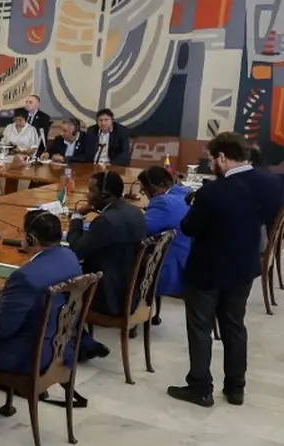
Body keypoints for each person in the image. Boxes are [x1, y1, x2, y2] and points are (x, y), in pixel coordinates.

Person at [168, 132, 282, 407]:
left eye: (211, 159)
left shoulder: (212, 192)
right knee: (234, 327)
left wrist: (194, 205)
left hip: (207, 269)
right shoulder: (270, 182)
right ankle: (235, 388)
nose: (210, 164)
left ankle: (200, 387)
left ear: (222, 157)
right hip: (243, 266)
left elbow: (188, 228)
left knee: (200, 328)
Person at [0, 212, 82, 373]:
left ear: (30, 239)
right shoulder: (69, 257)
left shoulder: (25, 277)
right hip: (62, 346)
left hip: (27, 356)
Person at [67, 170, 146, 361]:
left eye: (91, 191)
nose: (87, 195)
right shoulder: (134, 211)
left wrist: (77, 217)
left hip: (108, 296)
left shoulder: (106, 221)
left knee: (57, 293)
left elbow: (75, 250)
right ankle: (85, 342)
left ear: (104, 194)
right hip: (132, 290)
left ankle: (83, 346)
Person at [137, 166, 191, 299]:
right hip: (188, 261)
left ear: (153, 189)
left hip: (170, 269)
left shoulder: (164, 202)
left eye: (143, 190)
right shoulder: (185, 193)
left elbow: (139, 230)